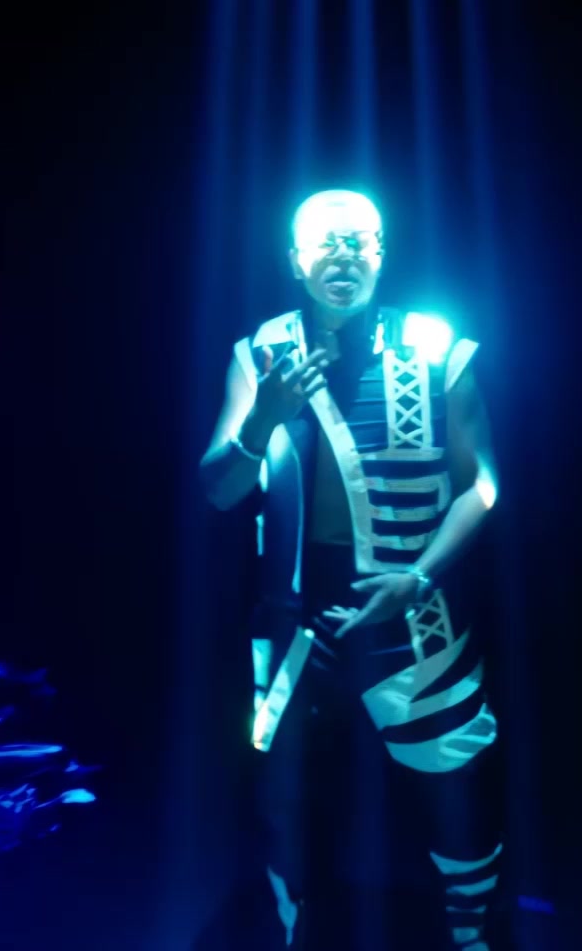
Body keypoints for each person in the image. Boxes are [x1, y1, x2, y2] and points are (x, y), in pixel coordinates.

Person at [199, 191, 508, 950]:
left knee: (459, 800)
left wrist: (419, 576)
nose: (342, 255)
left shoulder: (436, 345)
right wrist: (262, 418)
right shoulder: (262, 352)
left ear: (381, 253)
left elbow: (482, 484)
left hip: (417, 618)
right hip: (296, 619)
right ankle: (292, 932)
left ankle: (474, 938)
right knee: (285, 803)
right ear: (295, 261)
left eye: (359, 241)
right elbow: (219, 489)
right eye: (324, 243)